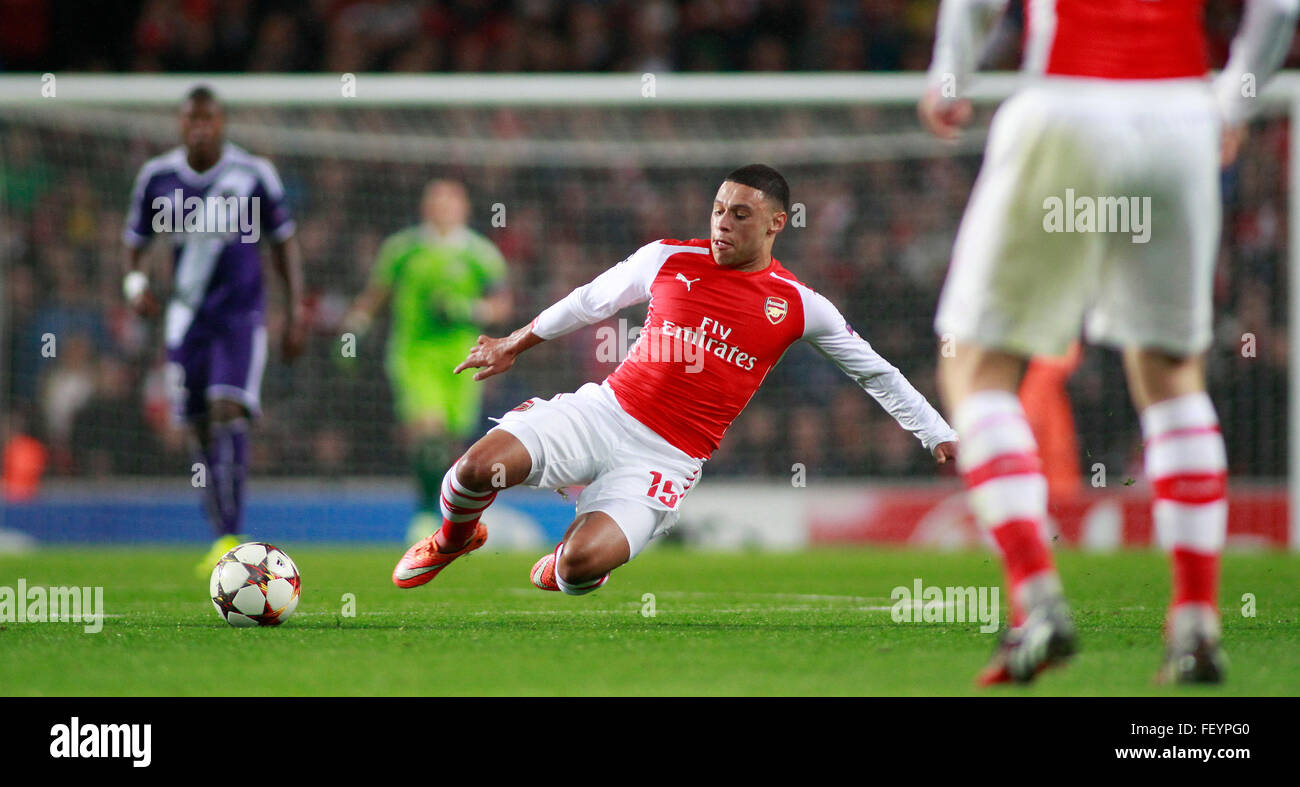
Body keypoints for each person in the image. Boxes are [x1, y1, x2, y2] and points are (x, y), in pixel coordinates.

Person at [918, 0, 1299, 684]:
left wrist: (951, 79)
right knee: (1171, 373)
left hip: (1068, 102)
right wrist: (1235, 99)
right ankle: (1195, 621)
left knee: (978, 368)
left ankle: (1037, 599)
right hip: (1181, 118)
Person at [391, 164, 958, 596]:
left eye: (740, 213)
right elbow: (590, 301)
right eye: (718, 209)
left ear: (776, 223)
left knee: (578, 572)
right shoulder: (666, 258)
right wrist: (514, 342)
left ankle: (576, 553)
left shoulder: (800, 306)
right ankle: (453, 539)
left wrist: (937, 435)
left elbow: (878, 374)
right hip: (604, 412)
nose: (722, 221)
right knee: (471, 470)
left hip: (664, 459)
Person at [122, 85, 306, 576]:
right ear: (180, 125)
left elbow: (284, 244)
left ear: (222, 123)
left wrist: (295, 312)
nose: (200, 127)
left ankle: (233, 531)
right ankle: (221, 532)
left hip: (241, 319)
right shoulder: (157, 177)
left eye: (209, 119)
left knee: (229, 410)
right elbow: (136, 243)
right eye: (191, 120)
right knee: (199, 425)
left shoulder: (253, 173)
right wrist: (134, 283)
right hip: (185, 321)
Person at [343, 180, 510, 544]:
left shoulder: (480, 254)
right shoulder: (402, 249)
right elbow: (376, 295)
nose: (443, 208)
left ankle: (453, 521)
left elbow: (501, 305)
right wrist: (354, 330)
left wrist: (468, 310)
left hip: (462, 358)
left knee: (452, 443)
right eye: (436, 201)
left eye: (451, 201)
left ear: (464, 208)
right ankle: (422, 516)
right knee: (428, 432)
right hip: (413, 354)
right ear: (425, 207)